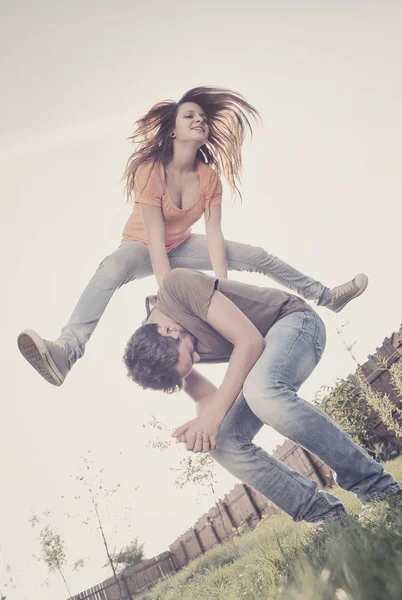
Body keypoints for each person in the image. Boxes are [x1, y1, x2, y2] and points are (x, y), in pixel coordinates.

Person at [17, 86, 368, 387]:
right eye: (189, 116)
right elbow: (155, 241)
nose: (199, 120)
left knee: (255, 255)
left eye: (202, 116)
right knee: (110, 268)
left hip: (183, 244)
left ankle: (324, 295)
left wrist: (224, 291)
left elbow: (214, 236)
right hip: (141, 245)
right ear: (172, 130)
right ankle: (67, 352)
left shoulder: (208, 177)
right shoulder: (149, 170)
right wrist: (171, 298)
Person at [122, 268, 401, 526]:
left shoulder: (176, 287)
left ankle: (377, 489)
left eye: (190, 352)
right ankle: (324, 514)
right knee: (221, 442)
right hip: (259, 365)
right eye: (191, 362)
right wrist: (204, 433)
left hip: (295, 322)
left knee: (260, 391)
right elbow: (208, 399)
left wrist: (211, 419)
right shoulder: (163, 355)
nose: (198, 357)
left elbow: (250, 341)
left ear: (169, 331)